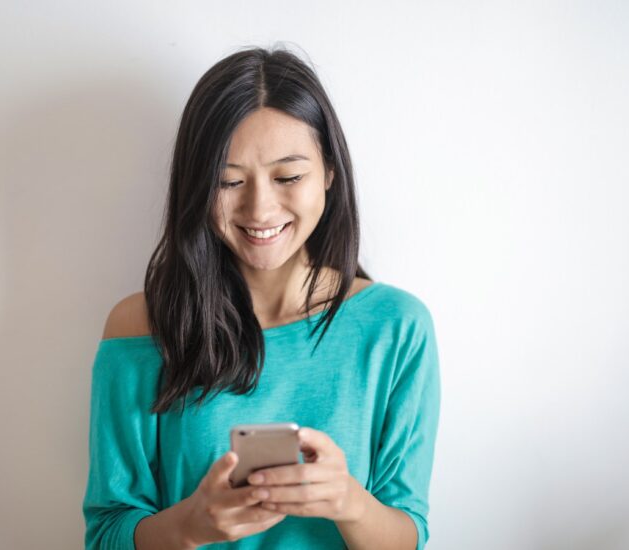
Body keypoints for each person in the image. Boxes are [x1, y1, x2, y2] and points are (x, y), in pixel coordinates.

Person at [82, 45, 441, 550]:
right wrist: (190, 525)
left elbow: (408, 536)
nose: (259, 207)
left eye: (288, 177)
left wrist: (348, 502)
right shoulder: (141, 326)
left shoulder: (396, 327)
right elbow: (105, 535)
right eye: (228, 181)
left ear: (330, 175)